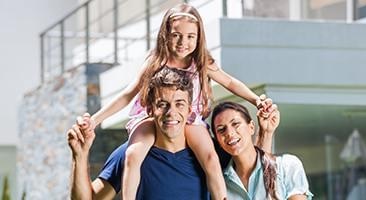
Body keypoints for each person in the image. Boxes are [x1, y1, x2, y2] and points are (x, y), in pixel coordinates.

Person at [77, 3, 272, 199]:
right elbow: (127, 94)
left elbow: (230, 82)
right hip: (151, 117)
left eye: (190, 36)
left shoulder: (202, 61)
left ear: (199, 37)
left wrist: (256, 100)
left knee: (211, 158)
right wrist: (95, 120)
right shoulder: (155, 62)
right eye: (176, 35)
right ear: (165, 34)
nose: (182, 42)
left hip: (191, 118)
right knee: (132, 155)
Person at [68, 67, 210, 199]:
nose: (171, 113)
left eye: (179, 104)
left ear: (189, 111)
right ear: (150, 110)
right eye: (162, 104)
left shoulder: (208, 155)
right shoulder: (128, 152)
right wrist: (80, 156)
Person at [211, 102, 314, 200]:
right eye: (221, 129)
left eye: (235, 124)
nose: (229, 133)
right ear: (218, 140)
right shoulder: (220, 185)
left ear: (251, 127)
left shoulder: (287, 166)